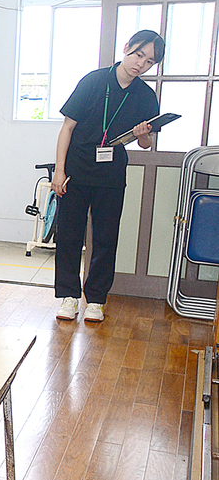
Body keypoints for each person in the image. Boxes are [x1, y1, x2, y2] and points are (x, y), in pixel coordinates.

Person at [52, 30, 165, 323]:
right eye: (139, 54)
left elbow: (146, 143)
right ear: (126, 48)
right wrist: (60, 170)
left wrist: (144, 136)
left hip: (111, 174)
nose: (141, 64)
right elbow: (67, 128)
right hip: (76, 170)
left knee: (105, 238)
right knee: (69, 236)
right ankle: (68, 296)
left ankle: (96, 300)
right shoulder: (93, 81)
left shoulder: (145, 96)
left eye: (149, 61)